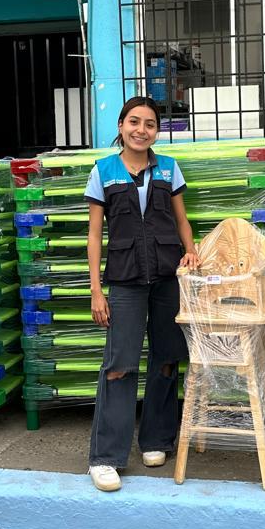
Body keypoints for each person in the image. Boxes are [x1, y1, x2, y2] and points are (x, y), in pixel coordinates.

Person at [84, 96, 198, 492]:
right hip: (126, 280)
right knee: (119, 365)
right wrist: (96, 290)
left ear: (157, 132)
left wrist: (191, 251)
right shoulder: (103, 171)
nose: (141, 130)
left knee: (167, 359)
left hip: (167, 278)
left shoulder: (168, 168)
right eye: (134, 122)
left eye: (150, 124)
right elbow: (94, 235)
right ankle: (105, 457)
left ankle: (156, 440)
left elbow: (182, 221)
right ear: (121, 126)